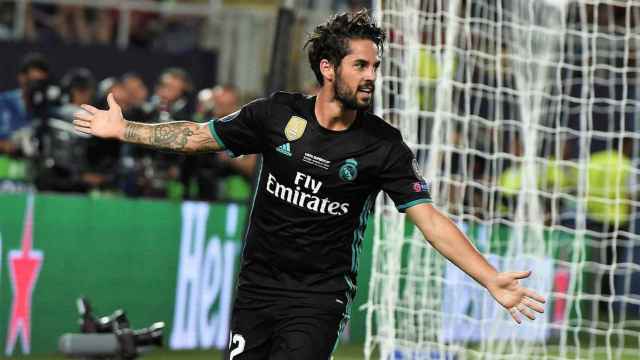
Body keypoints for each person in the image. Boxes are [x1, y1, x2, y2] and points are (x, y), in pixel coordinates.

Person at [73, 10, 546, 360]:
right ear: (328, 68)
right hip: (256, 288)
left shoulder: (382, 146)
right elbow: (198, 137)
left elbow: (430, 219)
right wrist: (124, 130)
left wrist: (489, 277)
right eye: (361, 66)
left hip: (319, 298)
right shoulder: (275, 115)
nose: (371, 77)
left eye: (375, 67)